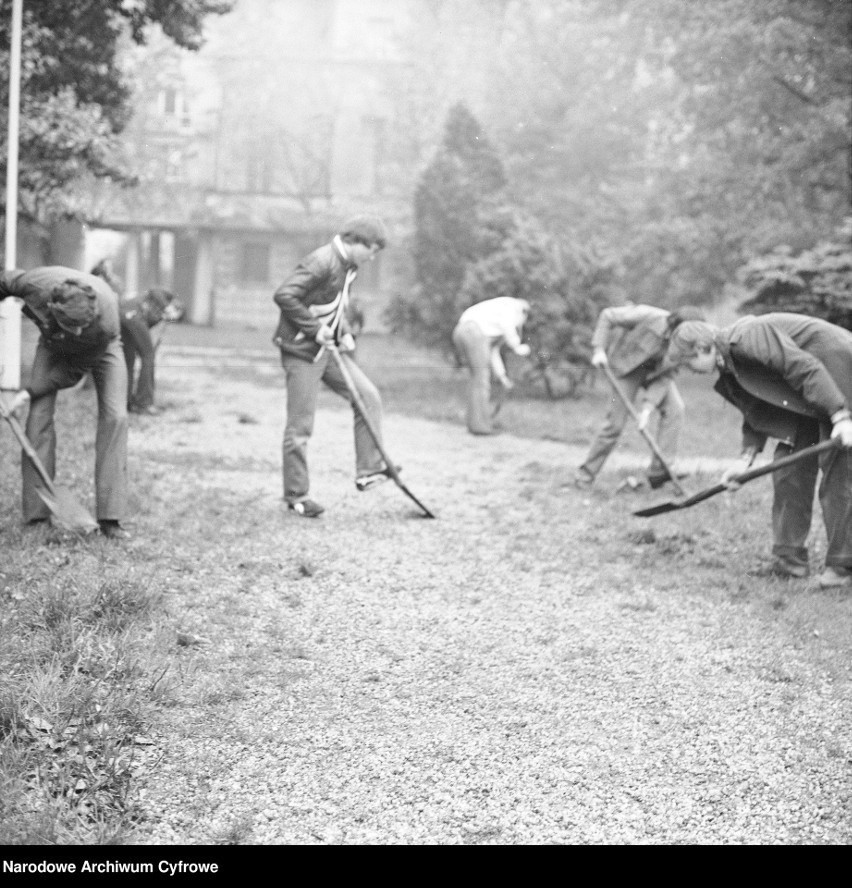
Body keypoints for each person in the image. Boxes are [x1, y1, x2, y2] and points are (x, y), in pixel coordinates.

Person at [666, 314, 852, 589]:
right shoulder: (728, 365)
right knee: (788, 467)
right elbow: (755, 410)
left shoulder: (746, 337)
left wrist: (840, 416)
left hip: (838, 372)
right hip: (811, 391)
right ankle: (789, 562)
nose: (689, 371)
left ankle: (842, 566)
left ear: (702, 348)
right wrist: (745, 460)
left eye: (688, 363)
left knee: (837, 469)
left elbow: (803, 367)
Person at [272, 215, 393, 518]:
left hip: (327, 350)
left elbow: (334, 305)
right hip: (302, 351)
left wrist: (344, 332)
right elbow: (285, 294)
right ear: (356, 242)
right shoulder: (322, 261)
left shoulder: (347, 266)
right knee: (301, 426)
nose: (373, 257)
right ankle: (297, 495)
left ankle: (367, 470)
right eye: (372, 249)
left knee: (367, 396)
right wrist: (314, 329)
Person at [0, 266, 131, 539]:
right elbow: (3, 282)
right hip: (52, 341)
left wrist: (25, 392)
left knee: (116, 416)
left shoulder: (103, 320)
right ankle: (37, 515)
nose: (79, 329)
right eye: (75, 326)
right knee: (38, 417)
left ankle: (110, 518)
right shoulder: (34, 284)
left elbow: (70, 373)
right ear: (53, 308)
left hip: (103, 347)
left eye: (83, 323)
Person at [574, 304, 705, 489]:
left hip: (656, 376)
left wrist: (647, 409)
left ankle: (659, 471)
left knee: (675, 410)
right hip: (627, 370)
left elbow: (667, 376)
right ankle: (584, 476)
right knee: (615, 425)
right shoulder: (649, 316)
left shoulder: (688, 345)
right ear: (674, 325)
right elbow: (608, 315)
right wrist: (598, 349)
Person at [451, 297, 532, 435]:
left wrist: (502, 377)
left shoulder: (494, 321)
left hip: (462, 331)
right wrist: (517, 346)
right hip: (473, 332)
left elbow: (493, 353)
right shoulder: (514, 307)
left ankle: (477, 424)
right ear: (524, 313)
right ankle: (480, 427)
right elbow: (507, 325)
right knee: (481, 380)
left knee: (478, 379)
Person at [119, 287, 177, 415]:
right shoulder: (158, 294)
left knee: (129, 359)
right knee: (148, 356)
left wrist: (163, 316)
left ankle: (125, 403)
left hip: (122, 317)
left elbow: (145, 328)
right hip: (133, 316)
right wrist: (167, 308)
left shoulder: (145, 302)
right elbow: (154, 290)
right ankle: (143, 403)